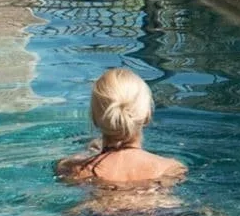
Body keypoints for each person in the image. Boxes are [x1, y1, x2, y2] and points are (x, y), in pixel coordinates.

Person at [56, 68, 188, 200]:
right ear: (147, 116)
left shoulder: (76, 170)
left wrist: (88, 153)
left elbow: (63, 166)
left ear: (95, 119)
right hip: (160, 214)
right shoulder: (171, 169)